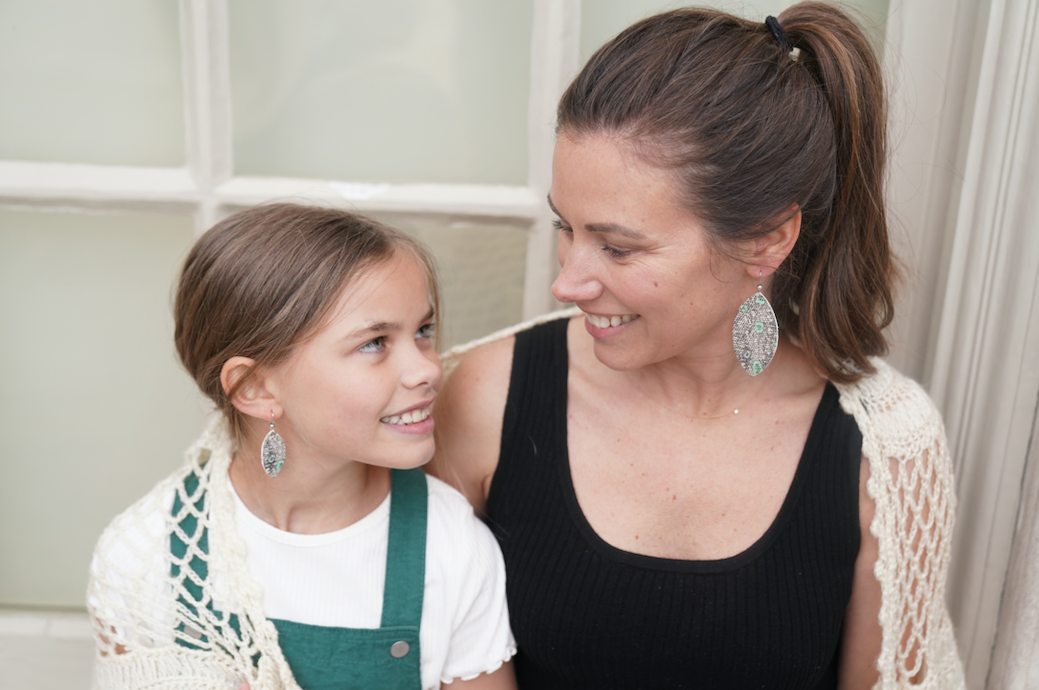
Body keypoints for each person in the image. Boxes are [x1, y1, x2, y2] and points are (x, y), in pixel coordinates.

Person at [432, 4, 965, 689]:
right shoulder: (486, 397)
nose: (566, 281)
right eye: (566, 226)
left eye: (618, 246)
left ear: (766, 239)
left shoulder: (886, 449)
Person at [87, 203, 517, 690]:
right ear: (255, 389)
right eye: (374, 342)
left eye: (422, 331)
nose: (427, 369)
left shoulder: (448, 545)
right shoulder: (145, 555)